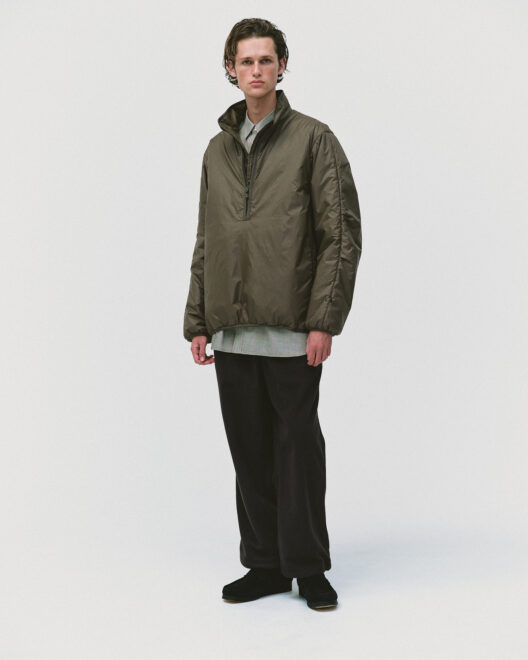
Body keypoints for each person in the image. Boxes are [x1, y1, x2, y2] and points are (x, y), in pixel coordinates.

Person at [183, 18, 362, 610]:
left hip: (292, 331)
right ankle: (264, 565)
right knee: (250, 452)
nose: (256, 70)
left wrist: (324, 321)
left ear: (282, 66)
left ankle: (308, 568)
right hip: (232, 332)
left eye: (266, 60)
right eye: (246, 61)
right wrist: (198, 320)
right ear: (230, 70)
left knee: (298, 452)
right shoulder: (216, 150)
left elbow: (340, 235)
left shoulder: (314, 139)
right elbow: (207, 239)